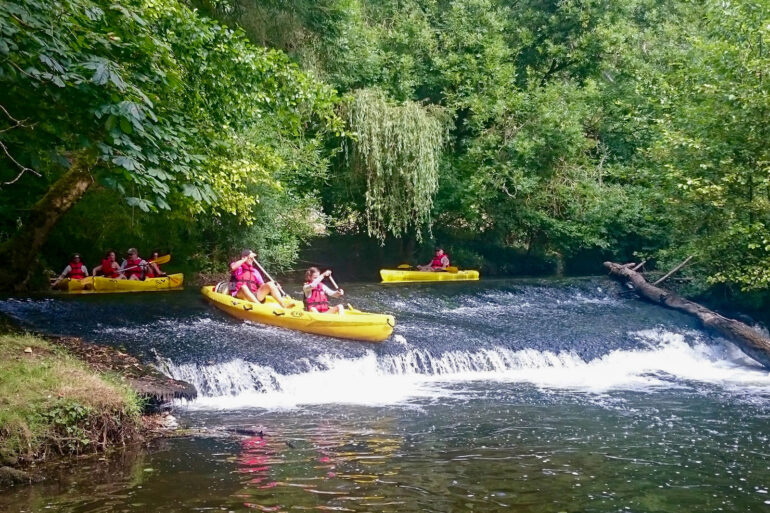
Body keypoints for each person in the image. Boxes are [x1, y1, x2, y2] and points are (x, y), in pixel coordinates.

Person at [229, 249, 294, 308]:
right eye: (250, 258)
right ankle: (259, 307)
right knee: (244, 287)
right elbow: (232, 267)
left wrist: (274, 287)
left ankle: (283, 304)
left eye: (253, 258)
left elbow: (262, 286)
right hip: (240, 294)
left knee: (270, 284)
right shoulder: (238, 267)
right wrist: (245, 259)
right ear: (244, 257)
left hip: (254, 295)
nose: (252, 259)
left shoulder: (255, 271)